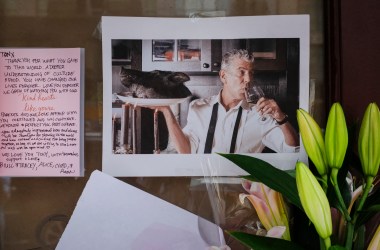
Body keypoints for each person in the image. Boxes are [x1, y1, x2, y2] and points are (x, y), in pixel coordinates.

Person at [157, 49, 299, 154]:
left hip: (243, 190)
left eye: (251, 73)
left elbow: (292, 150)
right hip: (200, 186)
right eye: (242, 72)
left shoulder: (260, 114)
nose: (248, 79)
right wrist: (166, 110)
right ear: (224, 76)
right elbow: (186, 151)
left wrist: (281, 119)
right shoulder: (198, 107)